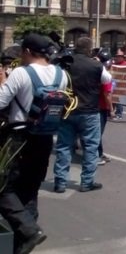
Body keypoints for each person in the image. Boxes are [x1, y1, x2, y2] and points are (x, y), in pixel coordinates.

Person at [0, 34, 68, 253]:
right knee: (30, 190)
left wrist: (3, 82)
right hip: (45, 138)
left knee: (4, 187)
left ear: (28, 52)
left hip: (19, 138)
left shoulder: (21, 73)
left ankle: (29, 231)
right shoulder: (62, 74)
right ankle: (24, 242)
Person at [54, 37, 112, 193]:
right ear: (89, 49)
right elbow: (108, 79)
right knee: (91, 147)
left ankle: (60, 182)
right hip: (89, 111)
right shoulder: (95, 64)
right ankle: (87, 182)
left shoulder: (65, 63)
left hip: (68, 110)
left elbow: (58, 82)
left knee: (64, 146)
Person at [96, 51, 114, 166]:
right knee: (97, 133)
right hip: (100, 107)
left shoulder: (94, 72)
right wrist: (111, 109)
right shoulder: (105, 76)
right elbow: (107, 94)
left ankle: (100, 152)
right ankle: (96, 155)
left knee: (96, 132)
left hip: (92, 105)